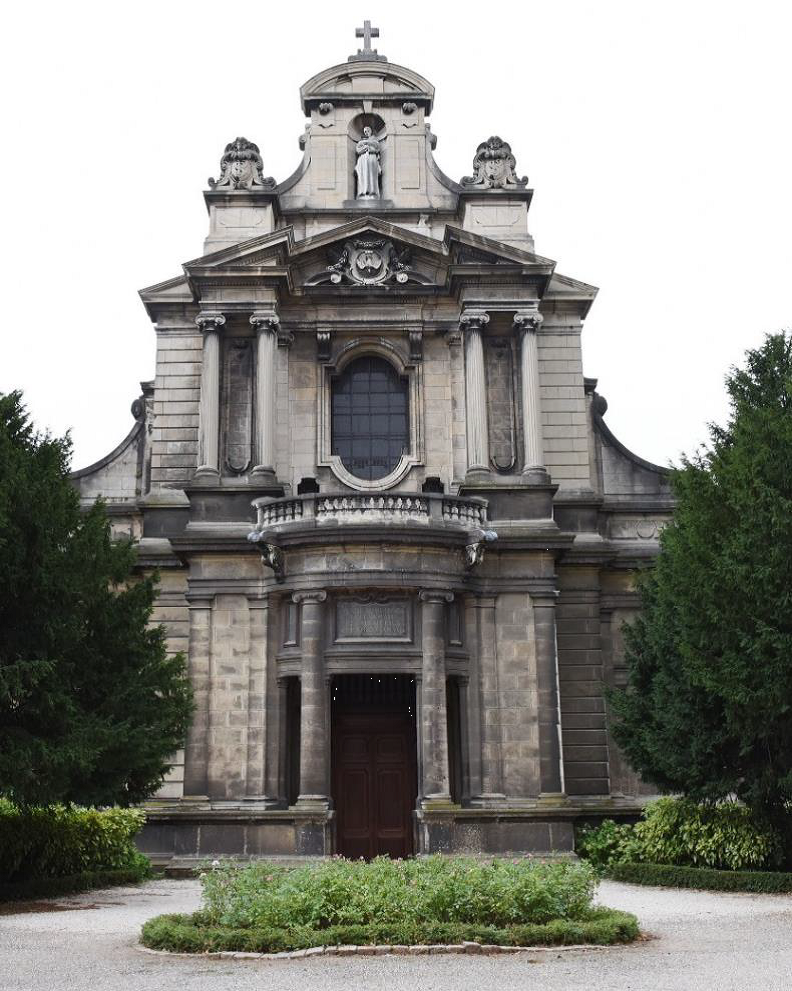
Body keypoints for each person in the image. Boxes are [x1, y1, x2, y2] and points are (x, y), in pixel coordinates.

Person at [355, 126, 382, 198]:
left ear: (371, 131)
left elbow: (377, 148)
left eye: (368, 131)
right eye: (365, 132)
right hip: (363, 160)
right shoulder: (361, 141)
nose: (366, 133)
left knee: (372, 174)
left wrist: (367, 144)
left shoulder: (374, 140)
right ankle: (363, 191)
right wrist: (364, 148)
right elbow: (358, 150)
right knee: (363, 174)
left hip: (372, 158)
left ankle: (373, 191)